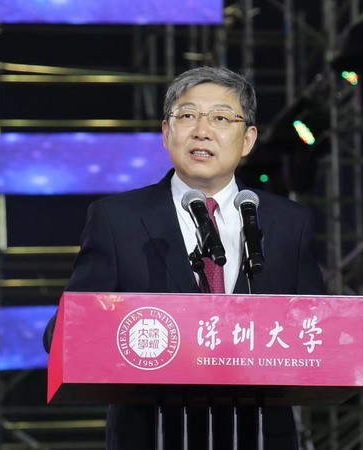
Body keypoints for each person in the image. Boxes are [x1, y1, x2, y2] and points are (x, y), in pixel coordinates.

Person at [43, 66, 325, 449]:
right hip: (152, 434)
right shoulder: (117, 219)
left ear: (248, 139)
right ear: (166, 132)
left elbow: (318, 335)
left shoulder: (289, 223)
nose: (202, 131)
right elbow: (65, 334)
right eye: (188, 115)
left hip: (260, 435)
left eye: (221, 118)